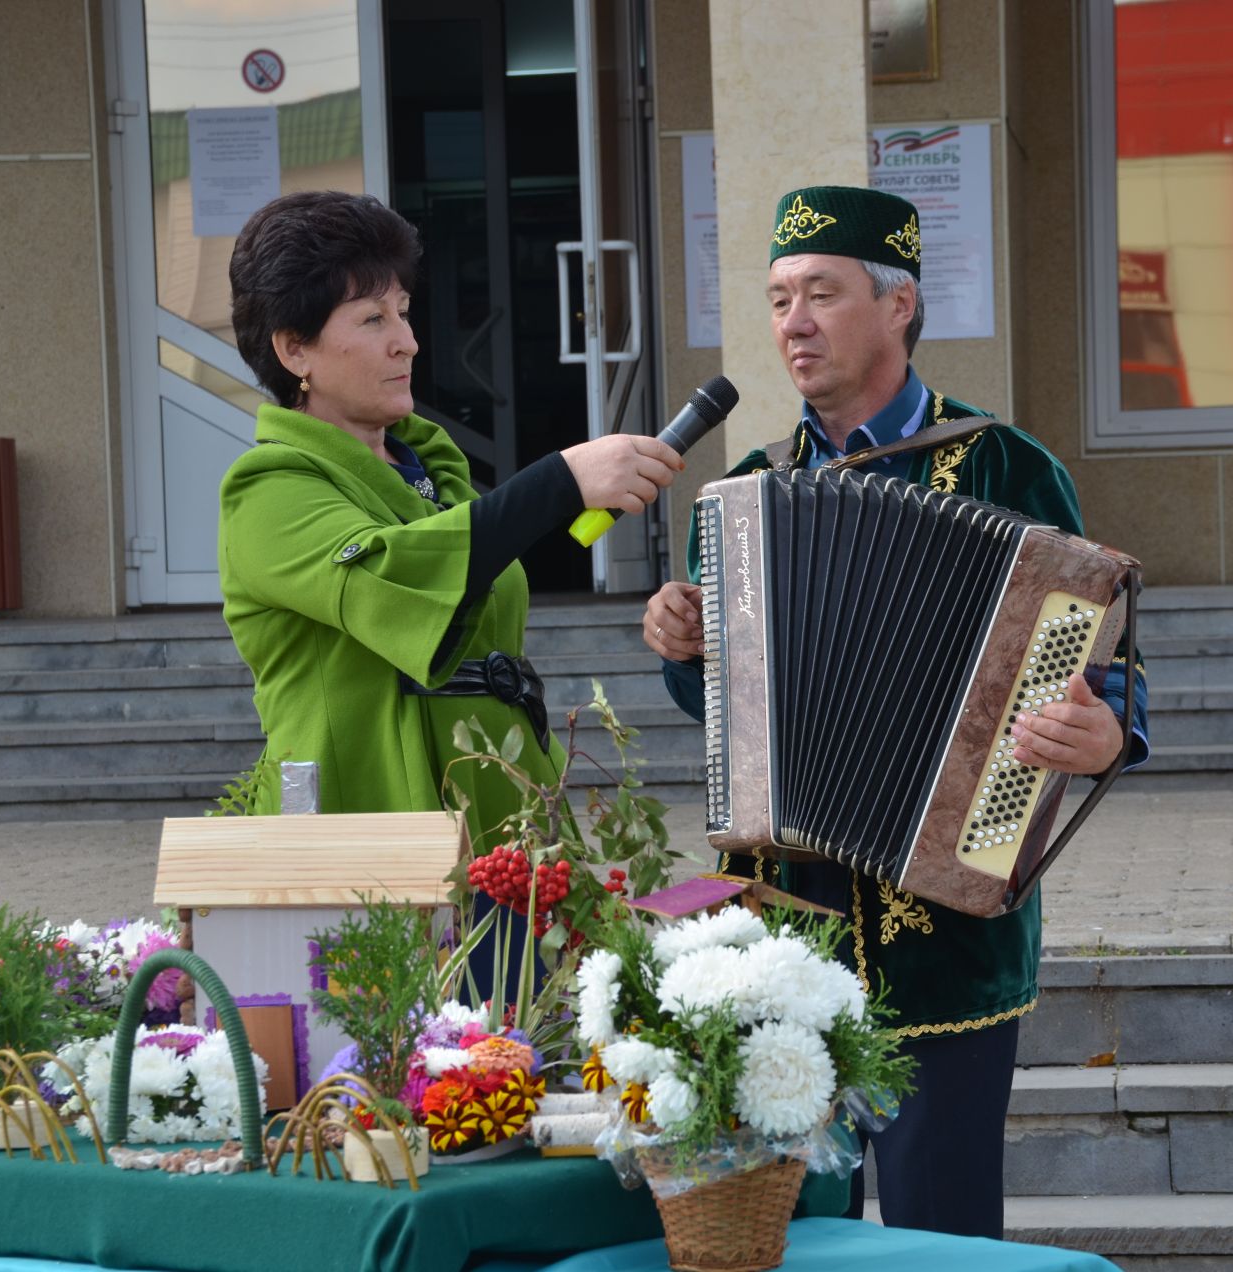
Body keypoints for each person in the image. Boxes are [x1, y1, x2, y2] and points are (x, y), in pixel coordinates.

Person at [642, 185, 1150, 1238]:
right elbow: (726, 718)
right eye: (780, 298)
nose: (794, 323)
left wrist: (1107, 735)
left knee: (941, 1237)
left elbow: (1109, 672)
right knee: (798, 1233)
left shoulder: (1011, 467)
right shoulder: (741, 495)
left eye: (821, 294)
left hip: (948, 931)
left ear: (900, 305)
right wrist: (686, 652)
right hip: (792, 928)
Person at [219, 189, 682, 843]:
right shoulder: (267, 490)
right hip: (367, 823)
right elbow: (392, 571)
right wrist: (561, 482)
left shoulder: (436, 473)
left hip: (506, 805)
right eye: (373, 319)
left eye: (404, 313)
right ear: (296, 349)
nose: (407, 342)